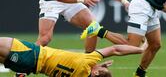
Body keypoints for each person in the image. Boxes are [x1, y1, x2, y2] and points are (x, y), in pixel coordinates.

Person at [0, 37, 143, 77]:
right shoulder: (82, 73)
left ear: (96, 72)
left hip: (32, 54)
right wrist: (100, 68)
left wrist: (140, 50)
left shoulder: (87, 61)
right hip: (28, 67)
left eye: (99, 68)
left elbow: (115, 49)